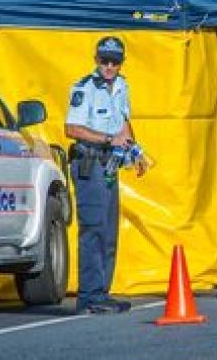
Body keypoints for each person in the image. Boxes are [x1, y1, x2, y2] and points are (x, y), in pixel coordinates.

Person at [65, 36, 145, 315]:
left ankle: (102, 292)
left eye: (115, 62)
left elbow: (123, 122)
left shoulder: (122, 86)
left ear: (122, 63)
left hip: (110, 165)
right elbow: (72, 128)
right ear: (96, 59)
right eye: (104, 61)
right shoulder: (84, 88)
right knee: (94, 229)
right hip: (90, 162)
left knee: (109, 232)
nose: (109, 66)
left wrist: (136, 152)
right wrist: (108, 138)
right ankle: (89, 295)